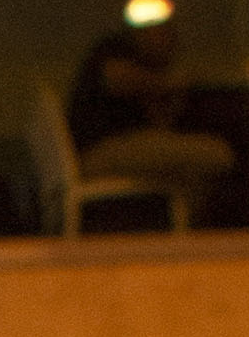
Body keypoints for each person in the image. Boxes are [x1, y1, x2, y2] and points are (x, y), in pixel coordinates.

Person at [66, 16, 233, 216]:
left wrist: (172, 98)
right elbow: (116, 77)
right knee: (215, 154)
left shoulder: (152, 67)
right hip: (98, 153)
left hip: (119, 150)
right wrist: (168, 83)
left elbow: (160, 128)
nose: (162, 41)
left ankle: (178, 226)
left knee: (191, 175)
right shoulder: (115, 49)